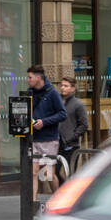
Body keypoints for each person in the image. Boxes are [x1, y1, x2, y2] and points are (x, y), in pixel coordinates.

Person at [26, 65, 65, 200]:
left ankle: (59, 199)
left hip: (49, 139)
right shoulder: (29, 92)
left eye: (30, 77)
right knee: (34, 173)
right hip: (34, 138)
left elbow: (62, 114)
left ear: (38, 78)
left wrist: (44, 122)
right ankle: (33, 203)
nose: (28, 80)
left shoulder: (52, 93)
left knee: (48, 174)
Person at [57, 75, 88, 182]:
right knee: (53, 172)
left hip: (70, 145)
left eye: (66, 86)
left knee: (70, 174)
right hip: (56, 143)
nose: (62, 88)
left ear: (73, 88)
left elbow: (84, 125)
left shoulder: (78, 105)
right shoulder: (57, 102)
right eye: (61, 85)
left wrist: (72, 137)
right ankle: (60, 192)